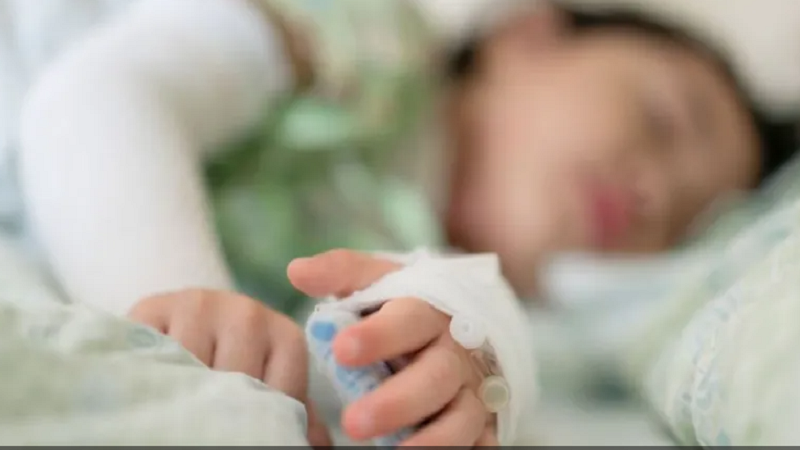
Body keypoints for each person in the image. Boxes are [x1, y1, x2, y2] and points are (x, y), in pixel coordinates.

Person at [4, 0, 798, 446]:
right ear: (529, 33)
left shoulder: (518, 314)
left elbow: (363, 364)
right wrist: (179, 308)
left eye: (684, 218)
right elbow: (93, 99)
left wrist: (467, 367)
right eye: (664, 122)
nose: (654, 189)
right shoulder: (371, 48)